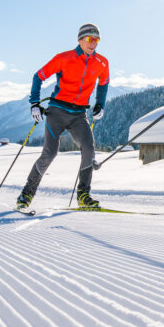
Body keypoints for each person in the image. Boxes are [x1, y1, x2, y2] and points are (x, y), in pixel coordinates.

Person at [16, 23, 110, 210]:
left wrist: (100, 105)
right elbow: (38, 76)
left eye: (97, 40)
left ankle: (83, 195)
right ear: (80, 40)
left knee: (89, 150)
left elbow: (104, 83)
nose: (94, 43)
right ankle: (26, 194)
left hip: (79, 115)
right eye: (90, 39)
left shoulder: (102, 62)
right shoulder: (63, 58)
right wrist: (34, 103)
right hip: (57, 111)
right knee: (50, 153)